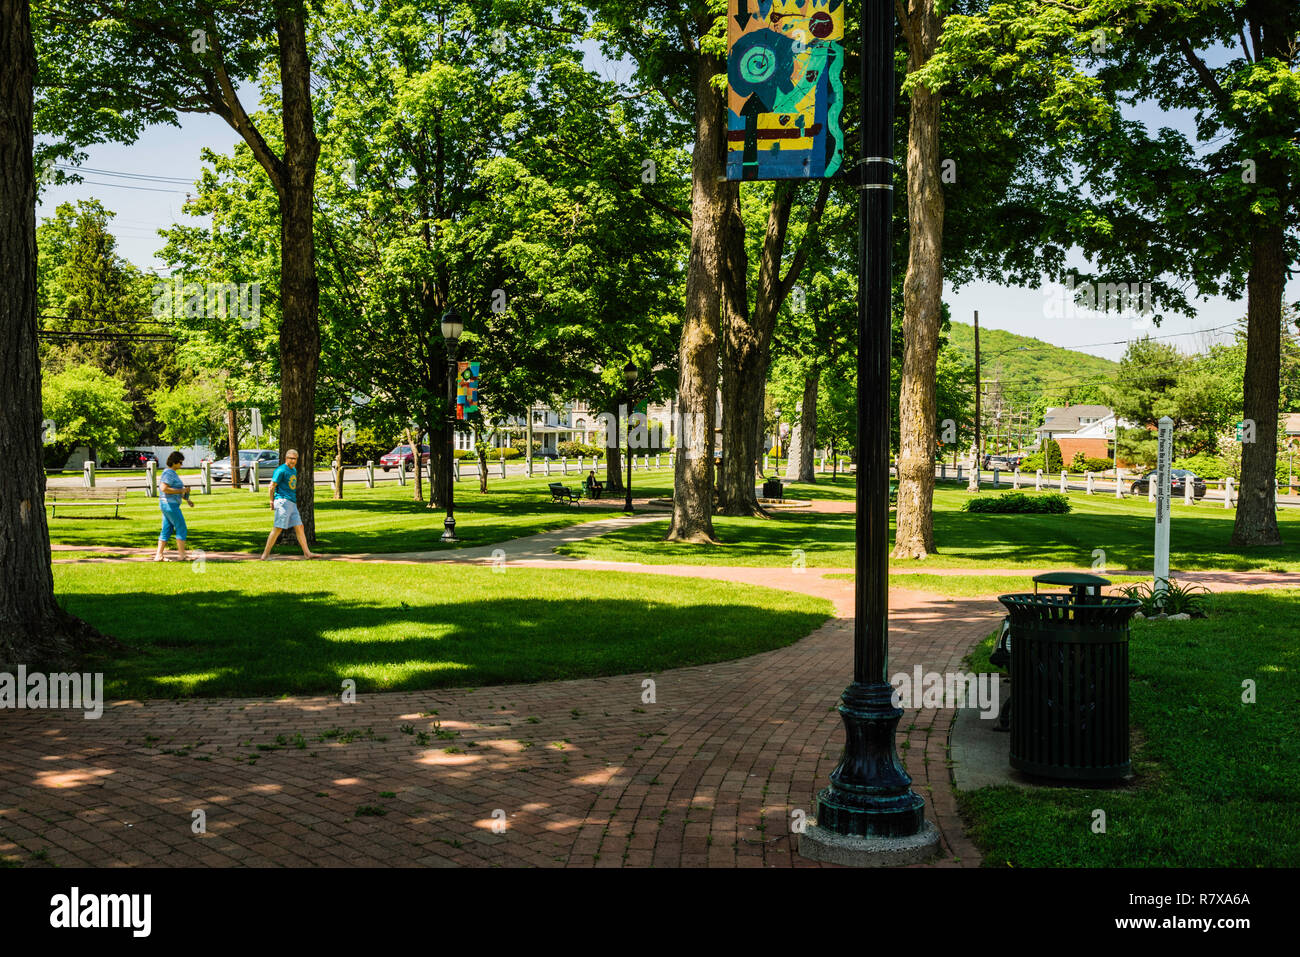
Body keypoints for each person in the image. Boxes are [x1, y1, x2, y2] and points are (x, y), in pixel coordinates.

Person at [260, 448, 320, 560]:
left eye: (295, 459)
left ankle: (307, 553)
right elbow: (271, 486)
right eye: (291, 458)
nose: (293, 461)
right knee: (278, 528)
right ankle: (265, 555)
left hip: (292, 502)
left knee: (300, 527)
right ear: (286, 458)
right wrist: (271, 501)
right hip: (282, 501)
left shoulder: (293, 470)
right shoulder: (281, 470)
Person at [153, 451, 193, 561]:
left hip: (168, 504)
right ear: (174, 462)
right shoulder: (169, 473)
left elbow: (174, 491)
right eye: (180, 462)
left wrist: (187, 499)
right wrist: (182, 490)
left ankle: (159, 555)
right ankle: (182, 555)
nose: (181, 465)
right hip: (170, 505)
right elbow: (163, 488)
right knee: (181, 528)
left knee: (167, 529)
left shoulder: (171, 473)